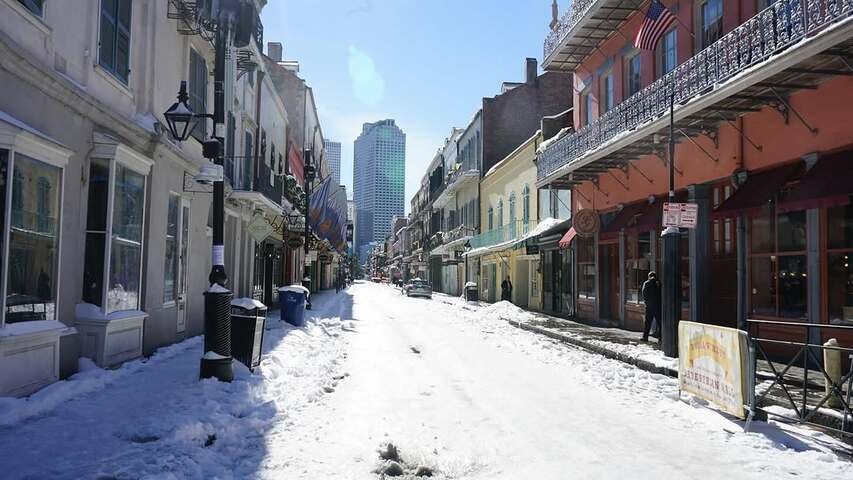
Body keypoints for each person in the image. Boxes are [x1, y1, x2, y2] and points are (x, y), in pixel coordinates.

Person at [641, 271, 662, 342]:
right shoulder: (659, 283)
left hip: (650, 307)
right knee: (660, 322)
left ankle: (645, 337)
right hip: (658, 306)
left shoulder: (646, 283)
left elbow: (644, 294)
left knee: (648, 323)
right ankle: (661, 337)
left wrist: (647, 303)